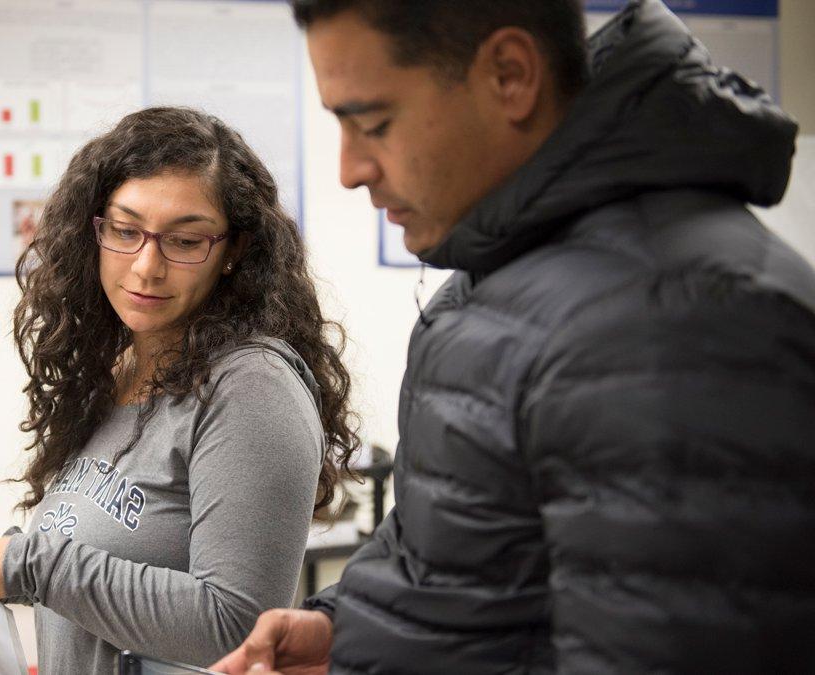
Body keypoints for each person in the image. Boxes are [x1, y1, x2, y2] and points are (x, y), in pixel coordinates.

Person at [214, 0, 815, 673]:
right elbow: (481, 571)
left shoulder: (683, 324)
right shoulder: (502, 275)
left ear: (509, 75)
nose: (350, 169)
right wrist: (348, 632)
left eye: (375, 124)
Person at [0, 106, 360, 674]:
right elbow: (110, 563)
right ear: (94, 231)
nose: (146, 266)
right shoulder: (123, 367)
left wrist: (28, 565)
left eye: (184, 241)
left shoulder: (251, 388)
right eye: (125, 232)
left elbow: (239, 625)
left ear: (233, 252)